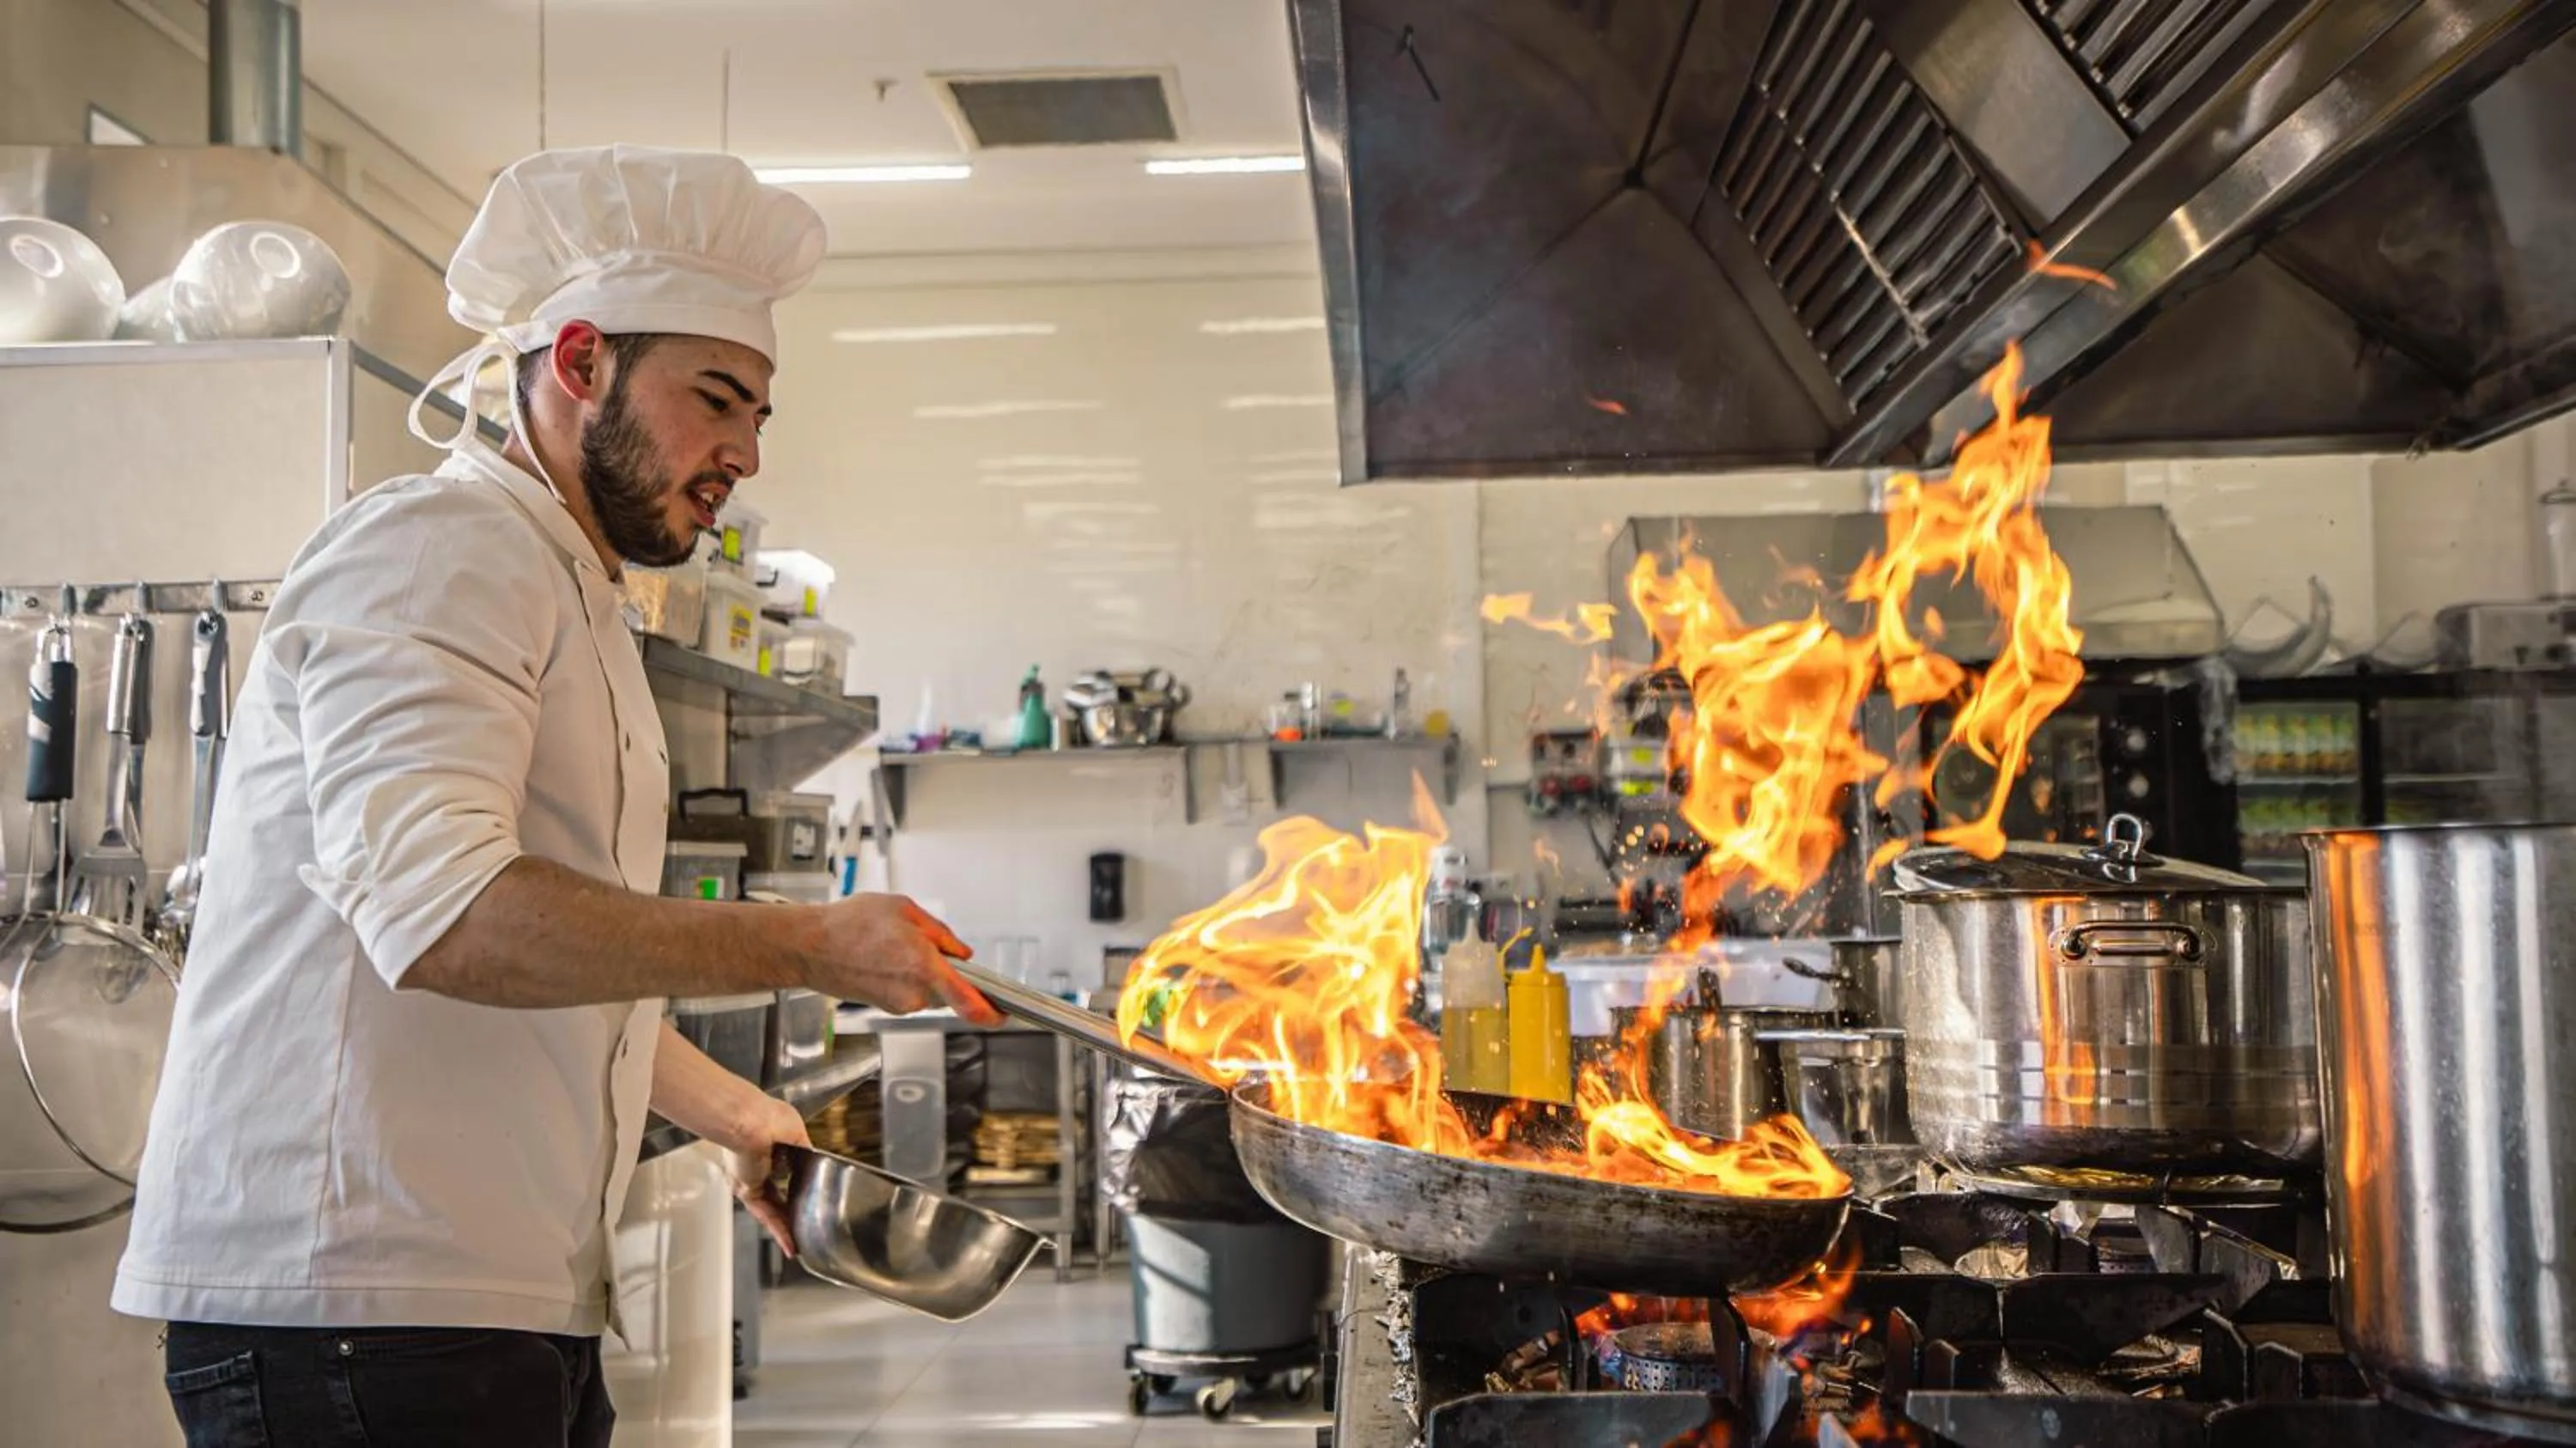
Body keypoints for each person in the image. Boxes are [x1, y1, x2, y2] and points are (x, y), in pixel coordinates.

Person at [112, 144, 1001, 1447]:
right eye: (716, 398)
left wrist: (730, 1110)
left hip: (471, 1303)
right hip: (352, 1306)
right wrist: (809, 942)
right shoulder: (437, 548)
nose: (744, 450)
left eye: (759, 415)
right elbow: (449, 913)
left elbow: (556, 965)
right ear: (579, 361)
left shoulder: (578, 598)